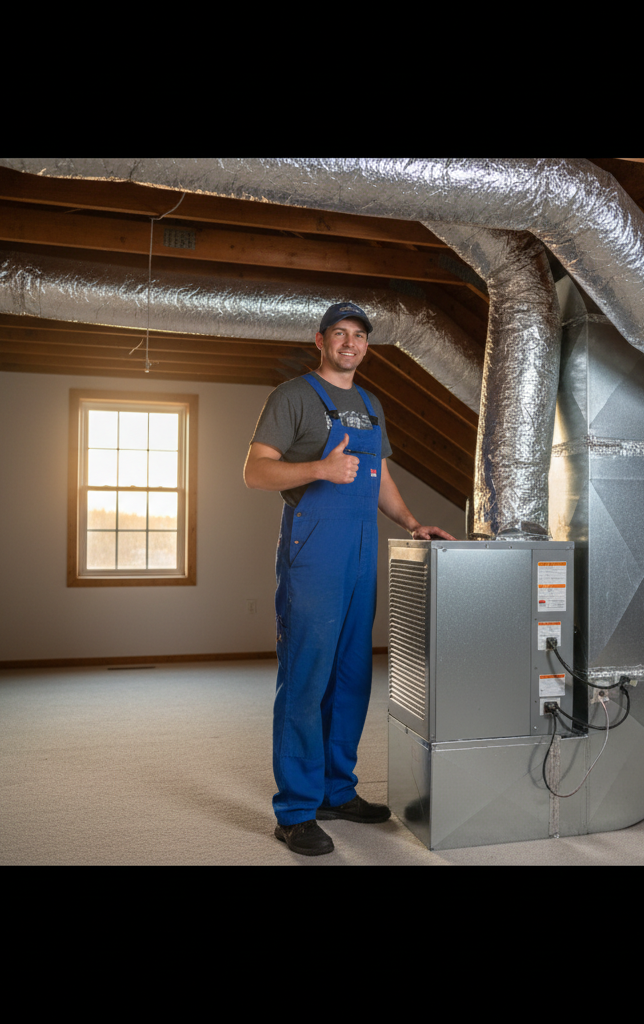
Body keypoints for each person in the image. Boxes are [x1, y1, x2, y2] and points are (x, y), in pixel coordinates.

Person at [244, 301, 456, 856]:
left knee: (352, 676)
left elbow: (378, 473)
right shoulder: (292, 396)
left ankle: (337, 790)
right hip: (315, 550)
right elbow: (255, 470)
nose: (350, 343)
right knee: (307, 676)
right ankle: (295, 810)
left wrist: (411, 522)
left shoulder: (370, 403)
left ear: (366, 346)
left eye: (359, 335)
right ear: (321, 340)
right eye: (339, 333)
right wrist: (318, 468)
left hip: (362, 553)